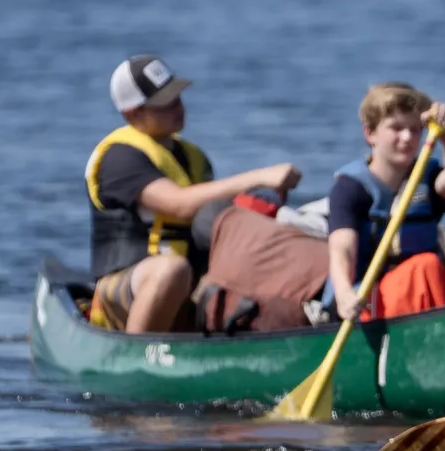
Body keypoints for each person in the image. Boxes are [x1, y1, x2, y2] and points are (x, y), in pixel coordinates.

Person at [85, 55, 301, 334]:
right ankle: (136, 356)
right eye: (165, 102)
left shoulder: (193, 157)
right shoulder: (119, 158)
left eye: (177, 97)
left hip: (189, 282)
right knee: (170, 271)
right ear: (132, 114)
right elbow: (179, 206)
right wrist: (259, 177)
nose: (178, 106)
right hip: (127, 286)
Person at [326, 82, 445, 322]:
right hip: (368, 299)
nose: (407, 137)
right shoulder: (351, 188)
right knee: (425, 266)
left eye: (414, 129)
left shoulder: (426, 175)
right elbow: (342, 248)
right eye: (396, 128)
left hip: (422, 289)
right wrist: (344, 295)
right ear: (370, 133)